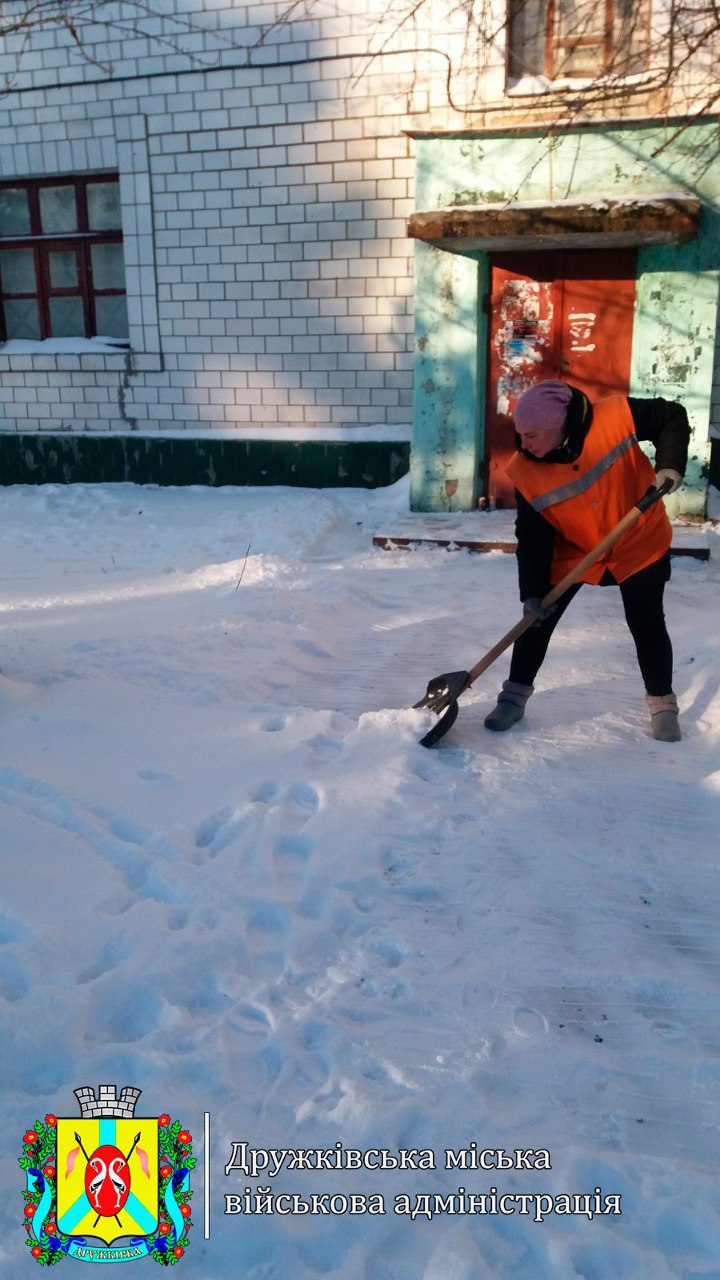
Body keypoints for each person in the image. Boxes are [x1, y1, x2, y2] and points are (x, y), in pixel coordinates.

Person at [484, 380, 689, 742]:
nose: (523, 444)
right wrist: (531, 592)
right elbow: (532, 537)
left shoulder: (615, 416)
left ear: (559, 426)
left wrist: (669, 464)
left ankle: (663, 704)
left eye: (531, 435)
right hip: (575, 551)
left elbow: (672, 415)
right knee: (536, 621)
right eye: (520, 434)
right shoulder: (523, 470)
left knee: (647, 622)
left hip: (639, 540)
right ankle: (512, 700)